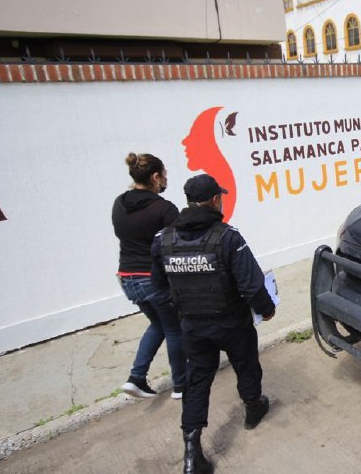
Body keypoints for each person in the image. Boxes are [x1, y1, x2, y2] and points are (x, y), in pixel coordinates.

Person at [151, 173, 276, 474]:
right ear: (216, 200)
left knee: (197, 382)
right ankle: (252, 408)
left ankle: (192, 452)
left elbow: (159, 286)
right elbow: (251, 285)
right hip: (231, 323)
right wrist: (267, 309)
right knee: (245, 364)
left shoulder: (162, 240)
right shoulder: (229, 237)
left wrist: (182, 308)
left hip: (193, 327)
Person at [112, 152, 187, 399]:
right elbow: (178, 246)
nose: (165, 180)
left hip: (127, 278)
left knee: (158, 324)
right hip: (153, 279)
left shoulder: (119, 204)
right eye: (164, 175)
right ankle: (181, 385)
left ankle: (136, 378)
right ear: (155, 177)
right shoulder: (164, 209)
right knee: (174, 329)